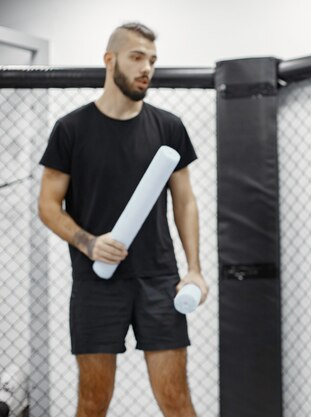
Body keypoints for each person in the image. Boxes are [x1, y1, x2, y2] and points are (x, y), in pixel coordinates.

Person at [37, 22, 208, 417]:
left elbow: (185, 202)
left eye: (152, 60)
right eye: (136, 57)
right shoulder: (71, 129)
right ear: (109, 60)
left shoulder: (168, 127)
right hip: (97, 282)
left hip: (159, 279)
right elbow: (48, 205)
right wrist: (89, 243)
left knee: (177, 401)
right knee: (93, 404)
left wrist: (195, 269)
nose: (146, 67)